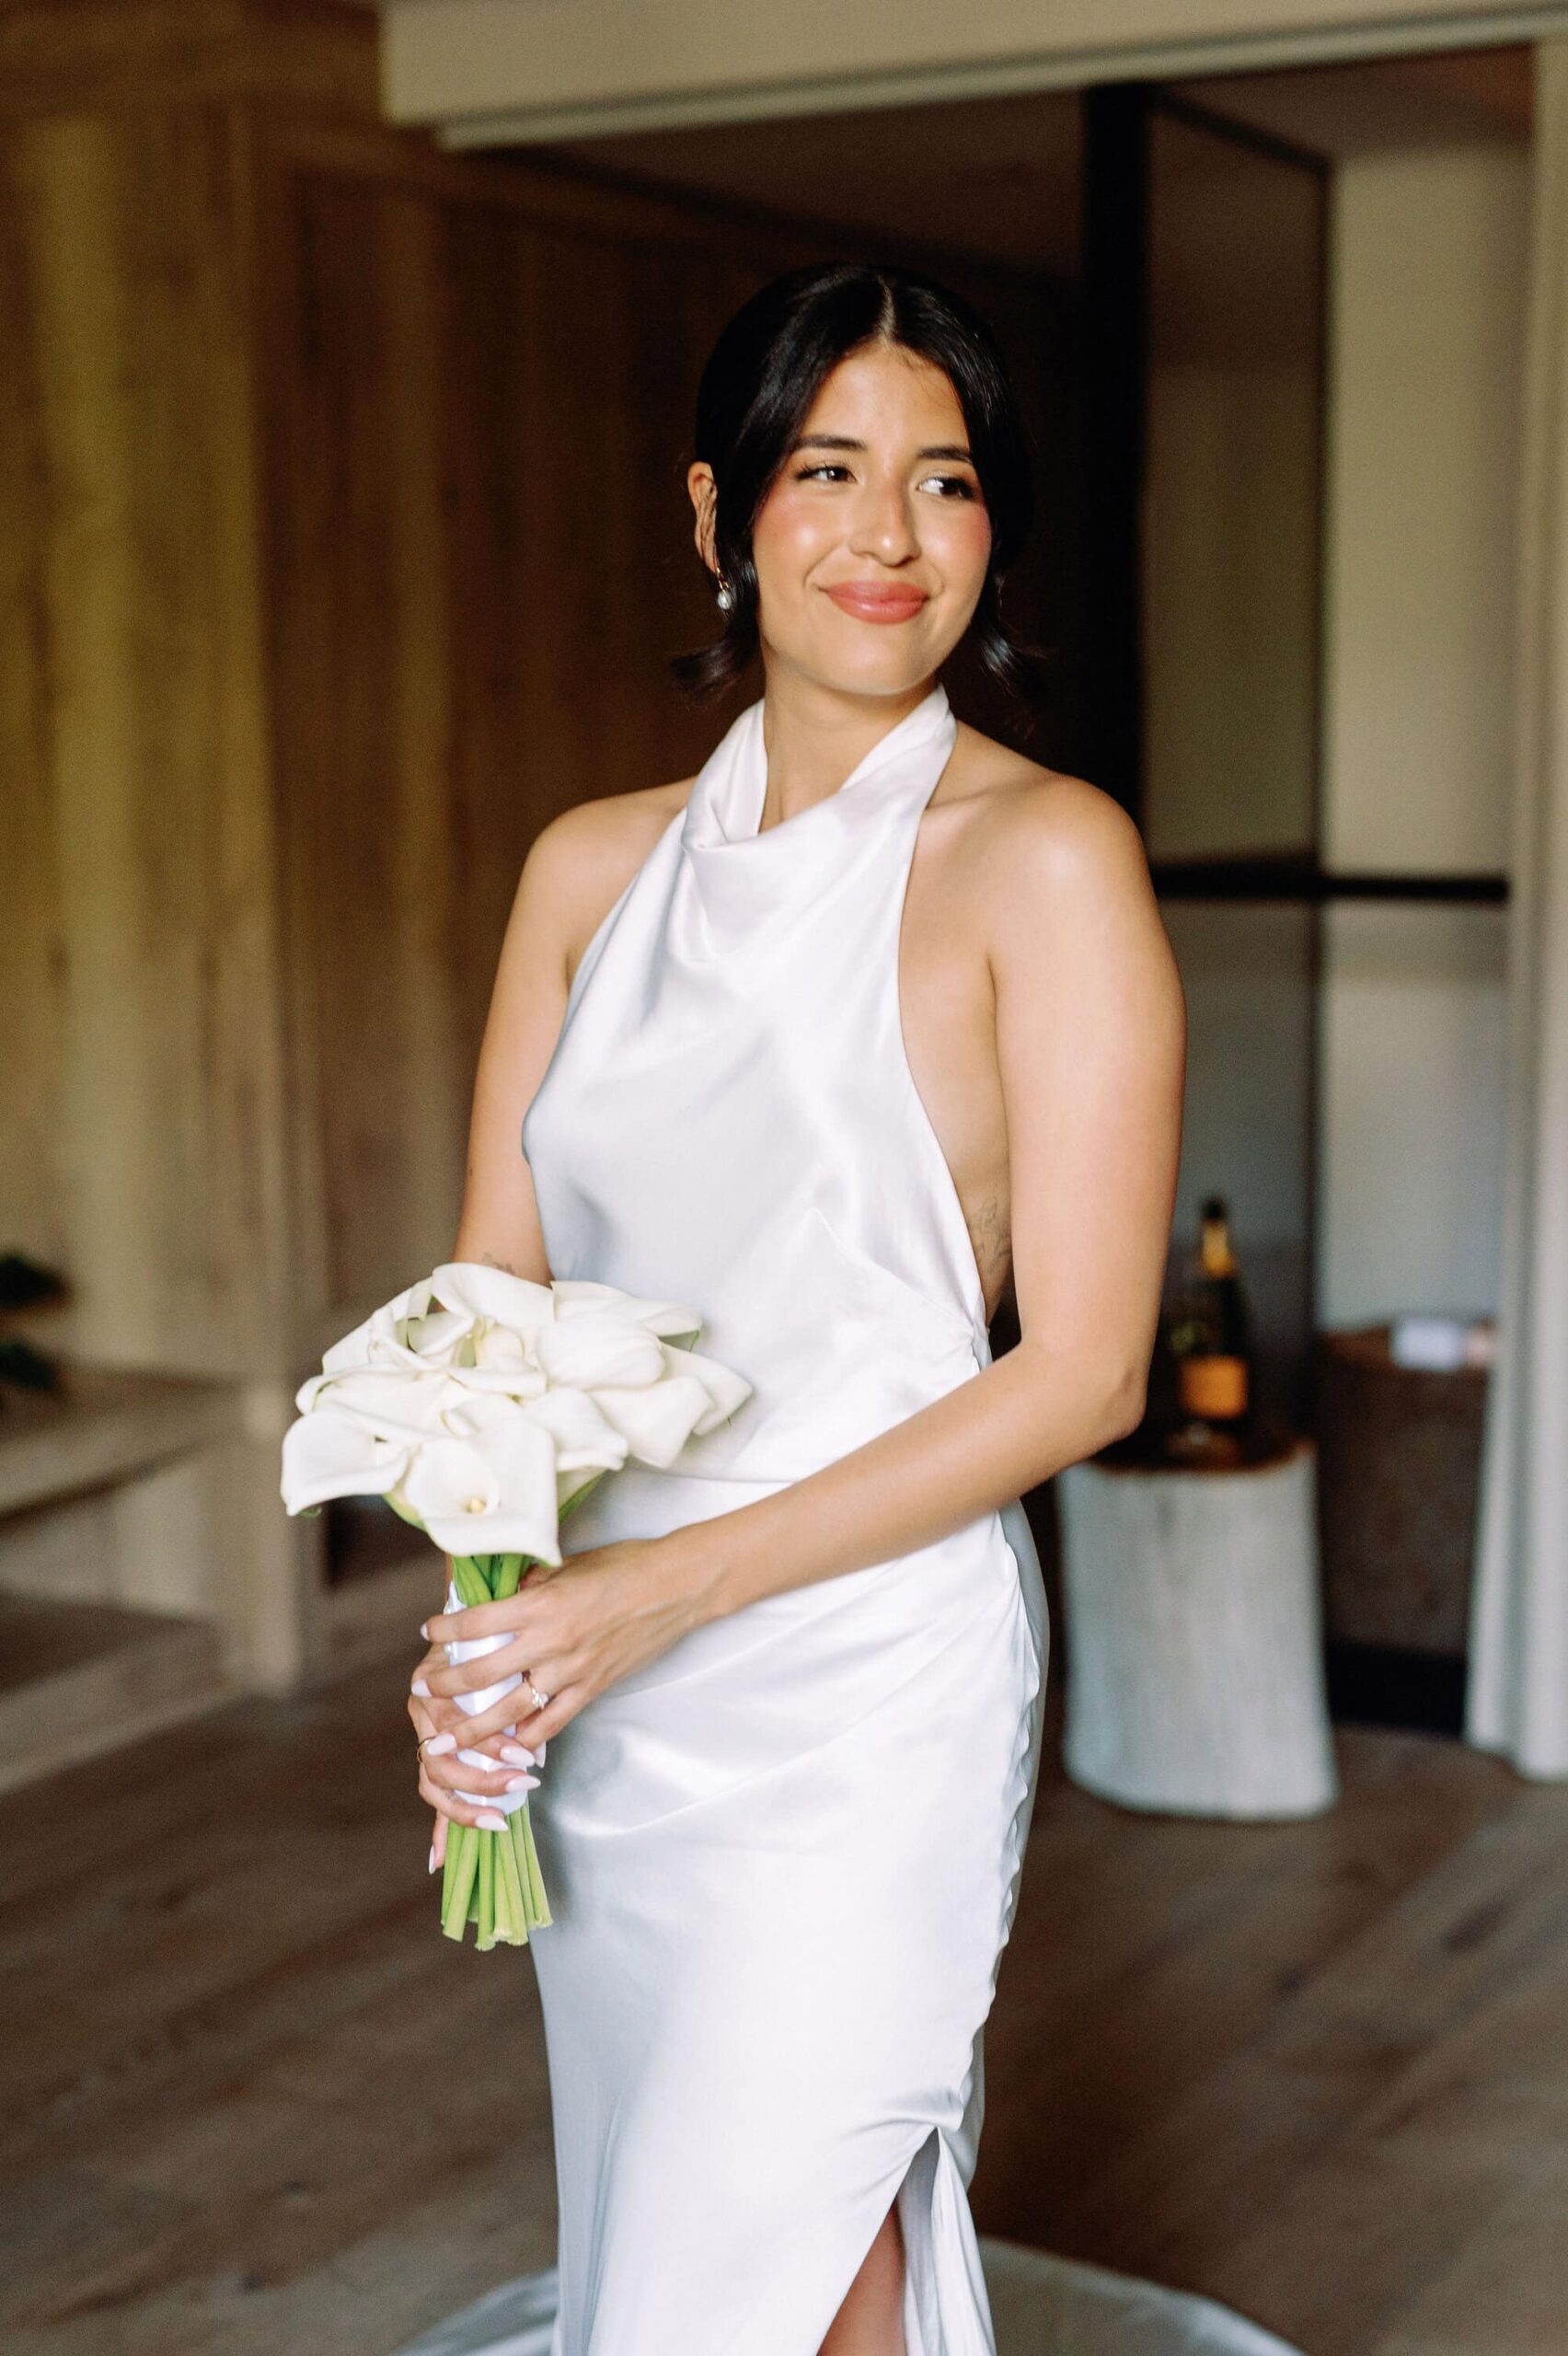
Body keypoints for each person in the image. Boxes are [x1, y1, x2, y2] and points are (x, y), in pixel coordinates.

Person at [406, 260, 1185, 2356]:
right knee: (664, 2229)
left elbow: (1090, 1366)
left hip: (859, 1677)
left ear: (993, 529)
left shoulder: (1050, 859)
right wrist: (493, 1608)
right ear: (716, 513)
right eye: (828, 470)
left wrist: (665, 1590)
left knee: (801, 2227)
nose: (889, 535)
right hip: (606, 1679)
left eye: (945, 481)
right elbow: (494, 1302)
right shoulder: (586, 870)